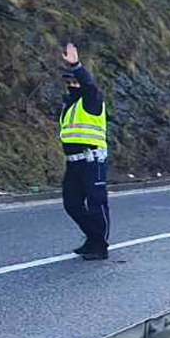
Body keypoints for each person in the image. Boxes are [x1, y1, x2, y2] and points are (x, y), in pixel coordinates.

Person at [59, 42, 110, 260]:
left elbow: (88, 85)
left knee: (96, 202)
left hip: (92, 160)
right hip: (74, 163)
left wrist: (76, 66)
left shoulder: (91, 100)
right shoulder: (69, 105)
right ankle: (92, 237)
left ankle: (100, 245)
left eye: (73, 81)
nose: (70, 84)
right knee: (71, 204)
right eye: (67, 81)